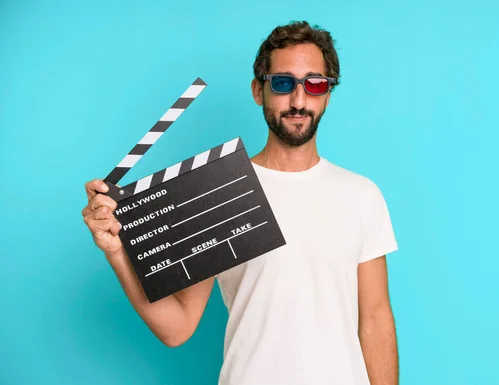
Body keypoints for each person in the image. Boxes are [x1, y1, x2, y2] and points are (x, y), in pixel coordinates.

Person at [82, 20, 399, 385]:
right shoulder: (219, 190)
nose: (298, 101)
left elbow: (375, 320)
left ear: (327, 94)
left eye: (314, 84)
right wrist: (117, 252)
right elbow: (178, 328)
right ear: (258, 90)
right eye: (282, 83)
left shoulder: (361, 195)